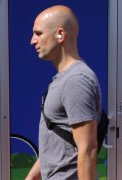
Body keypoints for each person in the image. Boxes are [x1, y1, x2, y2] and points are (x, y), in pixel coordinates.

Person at [26, 5, 102, 180]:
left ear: (60, 34)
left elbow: (87, 149)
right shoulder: (63, 79)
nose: (32, 41)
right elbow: (57, 142)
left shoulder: (76, 81)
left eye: (38, 34)